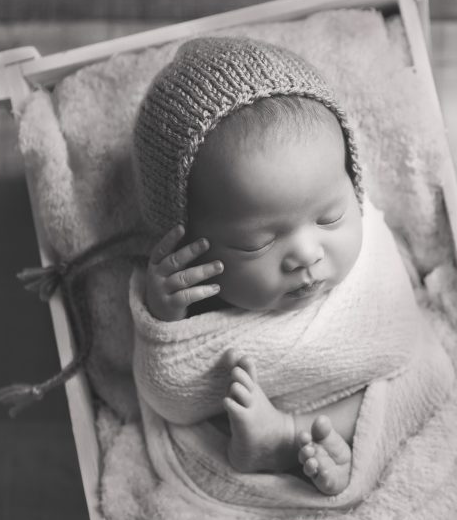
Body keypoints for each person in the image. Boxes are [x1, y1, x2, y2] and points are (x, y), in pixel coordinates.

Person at [132, 35, 398, 496]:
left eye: (330, 217)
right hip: (250, 417)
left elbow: (404, 331)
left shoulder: (370, 244)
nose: (306, 255)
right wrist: (164, 314)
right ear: (190, 245)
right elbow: (170, 397)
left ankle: (293, 438)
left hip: (361, 399)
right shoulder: (196, 302)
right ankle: (278, 443)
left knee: (416, 375)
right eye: (257, 244)